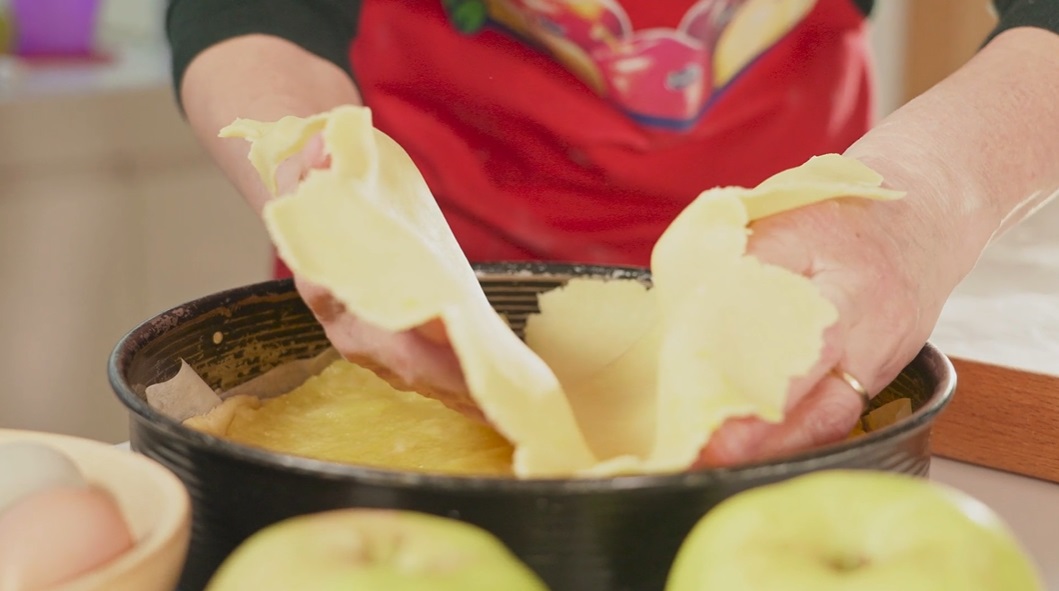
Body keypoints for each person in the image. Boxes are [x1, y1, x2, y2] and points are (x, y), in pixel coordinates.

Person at [165, 0, 1059, 467]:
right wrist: (336, 200)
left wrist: (922, 200)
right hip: (415, 289)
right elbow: (251, 10)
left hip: (788, 288)